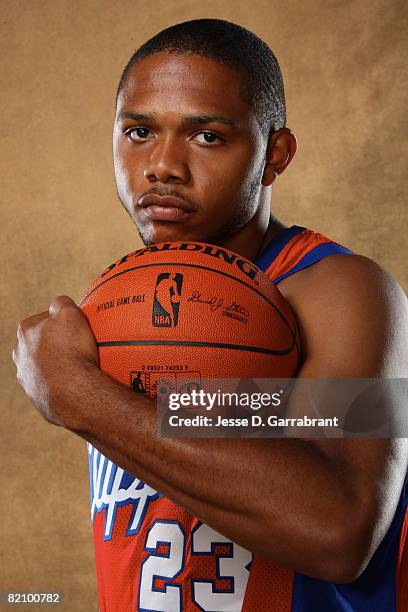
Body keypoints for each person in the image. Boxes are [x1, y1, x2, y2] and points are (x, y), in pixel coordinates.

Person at [13, 19, 408, 612]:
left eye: (207, 137)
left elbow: (339, 531)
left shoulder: (341, 290)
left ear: (275, 154)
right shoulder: (124, 307)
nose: (163, 165)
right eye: (139, 131)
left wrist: (80, 395)